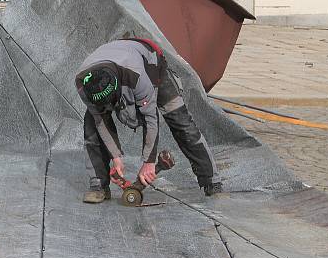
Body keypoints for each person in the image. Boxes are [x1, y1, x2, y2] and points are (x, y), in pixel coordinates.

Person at [75, 37, 223, 203]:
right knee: (91, 127)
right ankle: (98, 186)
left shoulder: (136, 77)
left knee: (182, 123)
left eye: (112, 102)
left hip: (151, 65)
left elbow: (151, 119)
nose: (110, 107)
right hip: (116, 60)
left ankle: (212, 182)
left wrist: (149, 162)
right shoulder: (83, 85)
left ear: (117, 88)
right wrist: (116, 157)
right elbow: (101, 121)